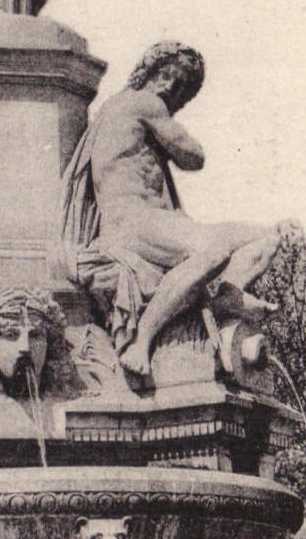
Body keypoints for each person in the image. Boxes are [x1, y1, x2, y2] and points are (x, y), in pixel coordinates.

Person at [55, 42, 285, 379]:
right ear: (147, 72)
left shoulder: (124, 111)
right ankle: (142, 341)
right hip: (132, 222)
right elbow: (193, 156)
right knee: (215, 250)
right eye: (165, 76)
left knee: (266, 238)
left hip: (159, 222)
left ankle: (223, 298)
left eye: (180, 87)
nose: (169, 88)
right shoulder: (141, 102)